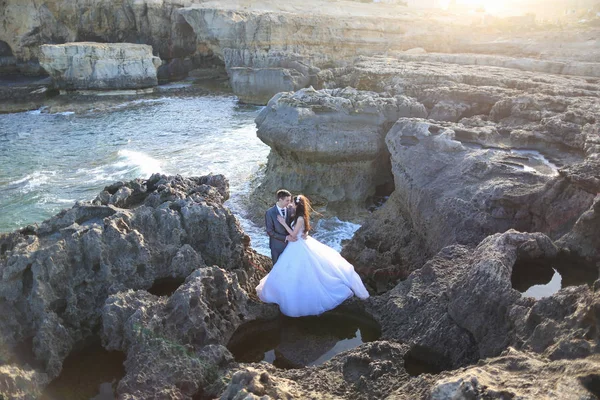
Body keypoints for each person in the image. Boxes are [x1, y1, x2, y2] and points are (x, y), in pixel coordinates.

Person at [256, 194, 369, 317]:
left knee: (300, 270)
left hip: (297, 244)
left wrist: (283, 224)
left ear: (297, 205)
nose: (290, 205)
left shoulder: (299, 218)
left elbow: (293, 234)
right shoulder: (298, 216)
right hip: (297, 244)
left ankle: (300, 297)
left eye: (292, 203)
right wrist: (304, 232)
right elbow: (303, 228)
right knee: (294, 269)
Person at [265, 189, 297, 264]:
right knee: (277, 268)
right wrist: (285, 238)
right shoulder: (270, 213)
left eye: (290, 200)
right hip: (277, 246)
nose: (289, 203)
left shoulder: (291, 209)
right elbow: (270, 231)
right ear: (280, 199)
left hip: (291, 245)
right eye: (287, 200)